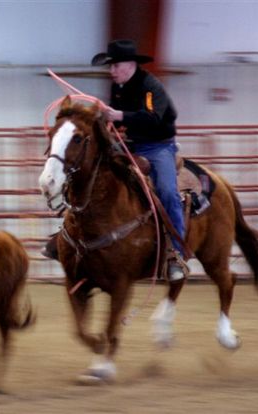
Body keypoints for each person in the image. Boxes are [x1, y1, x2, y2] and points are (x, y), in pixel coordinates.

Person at [91, 39, 186, 280]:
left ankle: (176, 253)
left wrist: (120, 115)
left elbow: (154, 118)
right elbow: (118, 118)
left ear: (131, 65)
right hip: (130, 144)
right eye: (110, 67)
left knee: (167, 192)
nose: (111, 71)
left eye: (115, 66)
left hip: (158, 147)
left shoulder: (151, 86)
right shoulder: (119, 88)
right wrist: (106, 119)